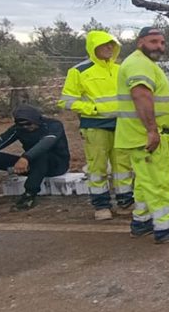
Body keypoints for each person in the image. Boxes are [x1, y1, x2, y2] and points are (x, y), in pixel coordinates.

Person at [116, 26, 169, 244]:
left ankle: (142, 221)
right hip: (147, 135)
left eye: (162, 42)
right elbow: (141, 96)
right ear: (140, 42)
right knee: (158, 182)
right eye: (153, 42)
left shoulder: (142, 63)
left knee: (145, 182)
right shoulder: (138, 64)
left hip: (140, 135)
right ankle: (165, 227)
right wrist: (152, 130)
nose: (159, 47)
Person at [58, 30, 133, 221]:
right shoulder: (79, 71)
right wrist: (92, 108)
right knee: (97, 167)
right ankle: (101, 206)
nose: (109, 48)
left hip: (121, 124)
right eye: (105, 44)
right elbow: (66, 101)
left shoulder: (120, 69)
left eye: (112, 45)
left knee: (123, 166)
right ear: (94, 47)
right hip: (95, 125)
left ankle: (126, 202)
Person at [0, 105, 70, 211]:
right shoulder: (18, 129)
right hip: (31, 164)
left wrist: (25, 158)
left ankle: (29, 195)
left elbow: (46, 143)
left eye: (29, 124)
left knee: (41, 155)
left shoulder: (53, 125)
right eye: (22, 125)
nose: (26, 127)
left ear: (36, 120)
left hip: (56, 165)